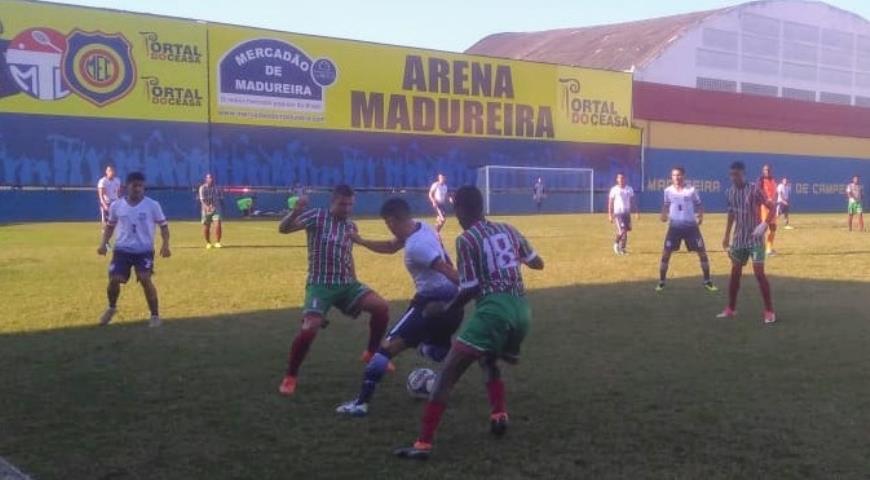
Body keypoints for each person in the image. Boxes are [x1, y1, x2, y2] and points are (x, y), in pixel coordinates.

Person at [394, 186, 544, 460]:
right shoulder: (509, 229)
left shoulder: (466, 240)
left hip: (493, 312)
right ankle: (499, 415)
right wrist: (510, 260)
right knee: (488, 360)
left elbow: (470, 288)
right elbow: (538, 264)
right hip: (522, 310)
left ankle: (422, 445)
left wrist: (445, 308)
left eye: (455, 210)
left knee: (445, 377)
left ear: (461, 210)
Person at [335, 198, 462, 417]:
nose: (388, 227)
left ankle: (361, 404)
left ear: (392, 220)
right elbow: (392, 246)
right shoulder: (423, 226)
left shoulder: (415, 246)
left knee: (385, 349)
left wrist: (476, 287)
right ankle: (433, 348)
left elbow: (445, 269)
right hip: (454, 308)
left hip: (431, 304)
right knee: (438, 352)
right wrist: (362, 242)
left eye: (387, 223)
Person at [276, 185, 391, 396]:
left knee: (381, 307)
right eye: (342, 204)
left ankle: (371, 352)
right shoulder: (317, 216)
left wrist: (355, 283)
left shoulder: (351, 226)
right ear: (333, 202)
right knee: (310, 327)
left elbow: (348, 255)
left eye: (350, 204)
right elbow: (283, 229)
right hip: (320, 284)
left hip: (347, 284)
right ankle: (290, 375)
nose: (347, 209)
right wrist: (296, 211)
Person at [96, 172, 171, 328]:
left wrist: (165, 245)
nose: (137, 189)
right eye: (134, 185)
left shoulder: (152, 205)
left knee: (145, 278)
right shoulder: (117, 205)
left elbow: (164, 226)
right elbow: (110, 226)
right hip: (122, 250)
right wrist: (103, 244)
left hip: (144, 250)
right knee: (114, 280)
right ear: (126, 187)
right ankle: (111, 308)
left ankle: (155, 315)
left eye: (141, 186)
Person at [718, 161, 776, 324]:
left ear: (743, 174)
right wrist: (726, 235)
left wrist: (764, 224)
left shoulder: (754, 189)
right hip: (739, 239)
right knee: (735, 273)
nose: (734, 178)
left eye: (737, 174)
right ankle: (731, 308)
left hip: (755, 238)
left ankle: (769, 311)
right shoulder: (729, 192)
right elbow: (731, 214)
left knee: (759, 274)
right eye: (732, 175)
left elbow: (772, 207)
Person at [657, 166, 717, 292]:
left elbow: (699, 205)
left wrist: (700, 216)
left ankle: (707, 281)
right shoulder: (668, 191)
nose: (677, 177)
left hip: (691, 227)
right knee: (666, 253)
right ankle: (662, 282)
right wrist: (663, 214)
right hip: (674, 228)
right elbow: (666, 205)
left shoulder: (691, 190)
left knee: (702, 252)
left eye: (679, 175)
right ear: (671, 177)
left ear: (683, 176)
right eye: (674, 175)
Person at [608, 173, 638, 255]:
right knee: (622, 230)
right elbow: (610, 203)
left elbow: (633, 201)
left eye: (622, 178)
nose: (621, 180)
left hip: (627, 213)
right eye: (619, 178)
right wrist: (610, 215)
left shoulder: (629, 189)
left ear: (625, 179)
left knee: (625, 231)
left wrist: (636, 212)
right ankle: (616, 244)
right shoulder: (614, 189)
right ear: (617, 179)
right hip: (618, 213)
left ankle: (623, 249)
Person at [758, 164, 778, 255]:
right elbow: (758, 192)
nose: (767, 171)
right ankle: (760, 248)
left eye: (769, 170)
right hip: (765, 207)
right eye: (765, 170)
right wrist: (766, 199)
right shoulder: (761, 180)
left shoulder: (773, 180)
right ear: (763, 171)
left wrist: (775, 200)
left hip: (773, 207)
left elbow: (775, 193)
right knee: (764, 228)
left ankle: (769, 249)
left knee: (773, 228)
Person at [198, 173, 223, 249]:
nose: (210, 179)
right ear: (206, 179)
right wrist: (207, 207)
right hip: (206, 210)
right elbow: (202, 200)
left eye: (211, 178)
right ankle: (208, 243)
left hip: (215, 209)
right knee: (207, 226)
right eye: (209, 178)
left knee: (218, 224)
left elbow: (217, 198)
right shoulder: (202, 188)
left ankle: (218, 242)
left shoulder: (216, 188)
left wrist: (213, 206)